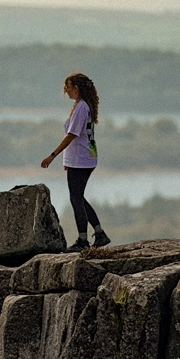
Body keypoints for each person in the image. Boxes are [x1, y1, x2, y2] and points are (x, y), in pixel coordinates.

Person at [41, 72, 111, 250]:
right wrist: (68, 159)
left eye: (68, 88)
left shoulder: (81, 107)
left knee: (76, 199)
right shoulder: (81, 105)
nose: (67, 92)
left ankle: (83, 241)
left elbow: (72, 135)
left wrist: (53, 155)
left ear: (76, 88)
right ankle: (99, 233)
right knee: (78, 197)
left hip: (81, 158)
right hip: (80, 158)